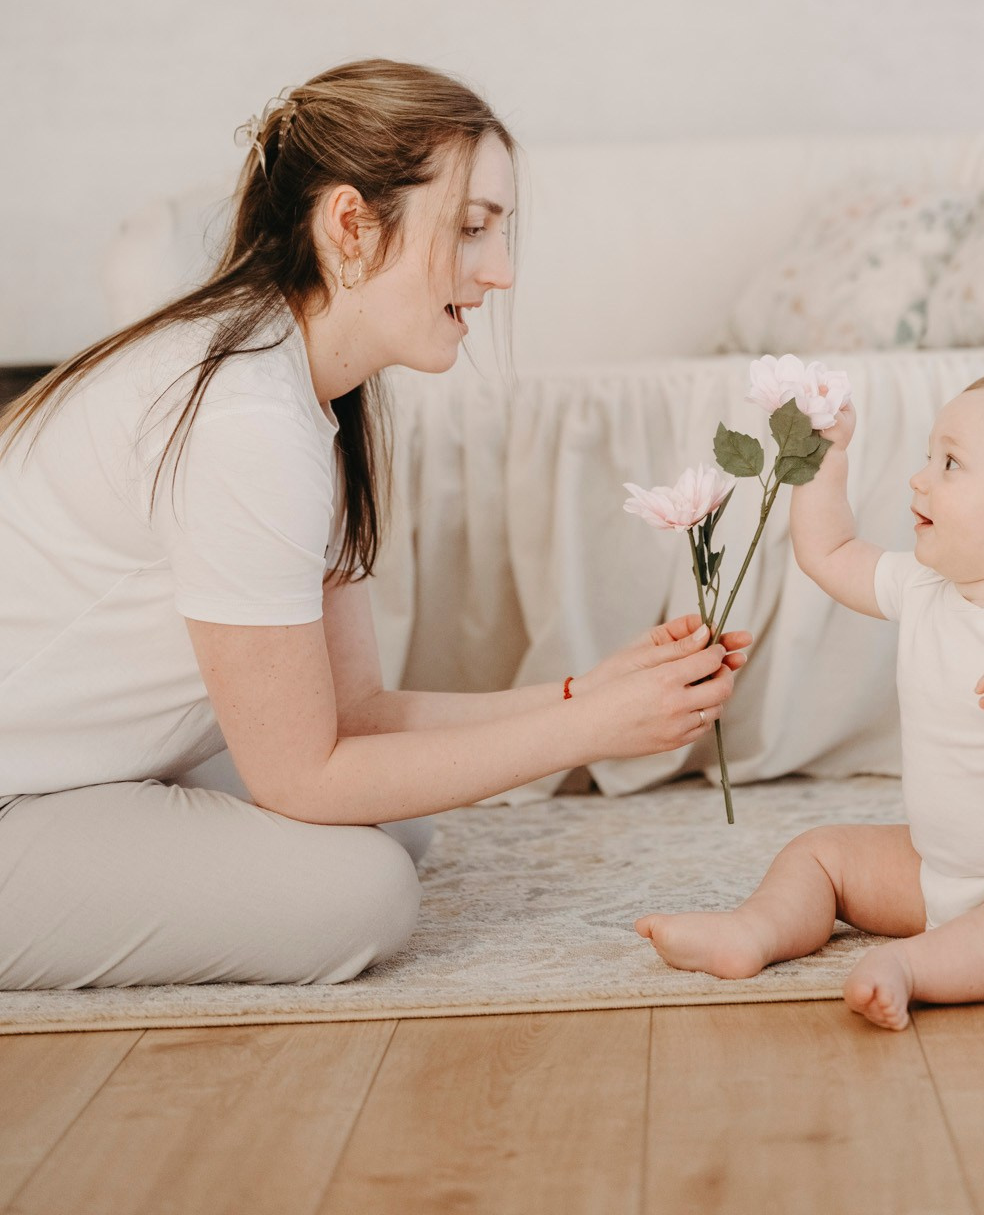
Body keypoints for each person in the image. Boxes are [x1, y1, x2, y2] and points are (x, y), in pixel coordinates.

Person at [0, 59, 749, 991]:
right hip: (18, 794)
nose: (501, 272)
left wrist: (579, 694)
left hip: (73, 765)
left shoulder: (301, 385)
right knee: (359, 892)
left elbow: (353, 716)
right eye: (471, 228)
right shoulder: (245, 418)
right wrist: (590, 729)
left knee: (400, 813)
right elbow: (301, 777)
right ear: (349, 225)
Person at [636, 370, 984, 1029]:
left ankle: (914, 967)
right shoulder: (923, 585)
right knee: (819, 853)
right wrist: (827, 457)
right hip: (934, 871)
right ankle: (754, 931)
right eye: (928, 457)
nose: (919, 479)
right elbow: (828, 551)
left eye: (950, 463)